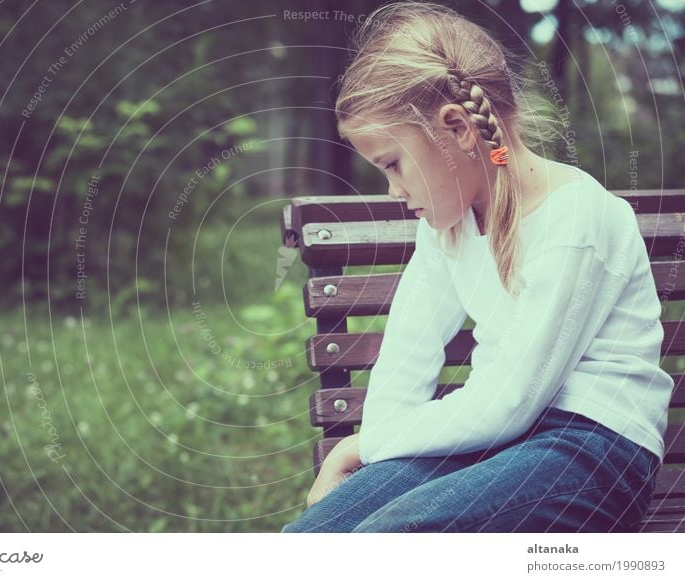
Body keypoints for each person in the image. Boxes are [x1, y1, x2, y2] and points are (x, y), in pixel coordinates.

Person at [280, 1, 674, 533]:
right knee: (311, 537)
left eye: (393, 164)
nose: (393, 191)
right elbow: (406, 363)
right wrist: (375, 456)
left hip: (592, 451)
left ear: (458, 128)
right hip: (495, 443)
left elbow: (508, 401)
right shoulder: (448, 226)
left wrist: (359, 446)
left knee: (388, 538)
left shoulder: (578, 218)